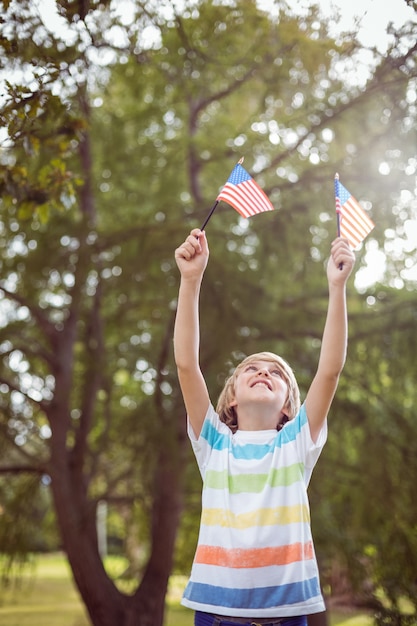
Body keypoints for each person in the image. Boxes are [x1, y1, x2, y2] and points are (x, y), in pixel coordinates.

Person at [174, 228, 355, 626]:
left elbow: (330, 369)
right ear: (232, 397)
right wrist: (191, 281)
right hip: (217, 614)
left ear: (288, 402)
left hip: (287, 614)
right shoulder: (214, 442)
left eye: (275, 373)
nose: (263, 373)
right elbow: (187, 364)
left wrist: (337, 287)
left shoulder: (295, 443)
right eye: (250, 369)